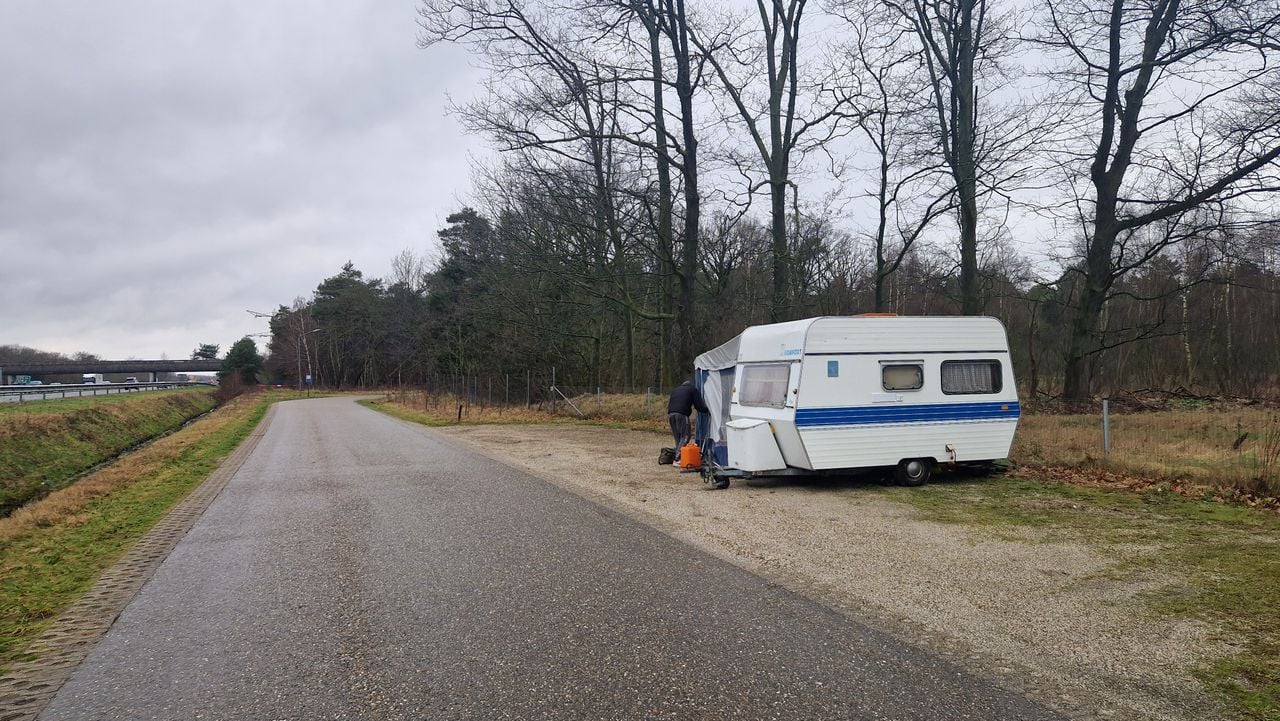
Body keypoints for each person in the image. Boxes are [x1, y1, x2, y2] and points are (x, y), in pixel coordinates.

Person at [667, 380, 708, 465]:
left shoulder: (676, 389)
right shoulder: (692, 389)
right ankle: (677, 459)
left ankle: (679, 456)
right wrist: (706, 410)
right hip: (682, 414)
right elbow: (698, 405)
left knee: (678, 437)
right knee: (685, 436)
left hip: (671, 414)